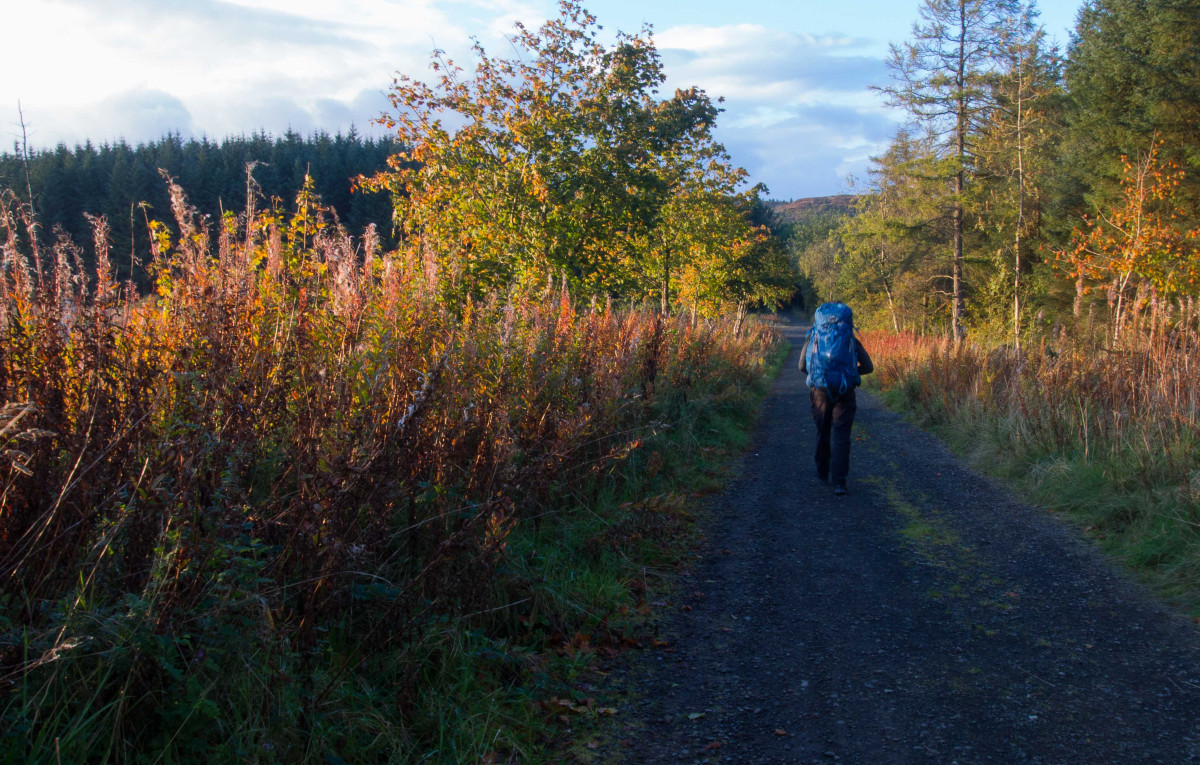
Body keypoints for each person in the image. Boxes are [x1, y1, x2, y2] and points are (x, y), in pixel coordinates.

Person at [799, 303, 874, 495]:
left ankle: (822, 471)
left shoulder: (813, 336)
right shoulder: (849, 337)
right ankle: (839, 482)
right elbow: (868, 366)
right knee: (841, 436)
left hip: (820, 391)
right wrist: (850, 374)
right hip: (845, 391)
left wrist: (818, 375)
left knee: (823, 431)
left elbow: (801, 366)